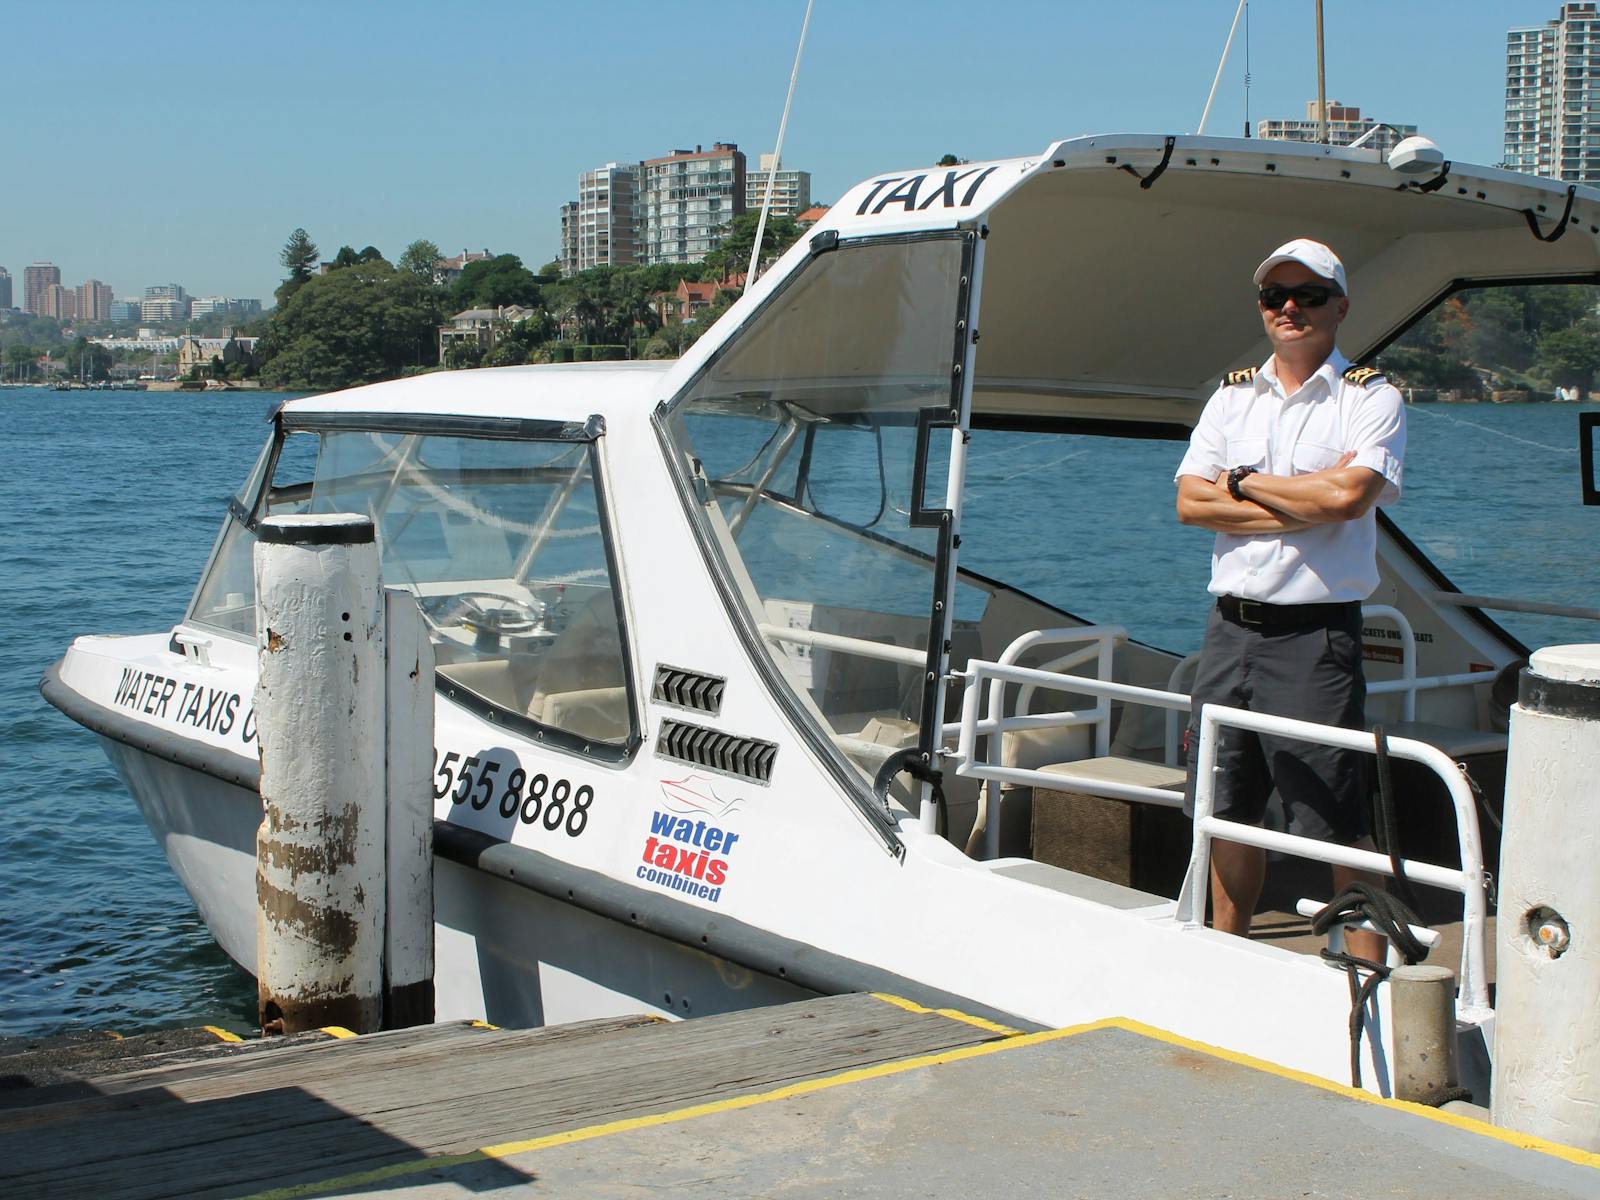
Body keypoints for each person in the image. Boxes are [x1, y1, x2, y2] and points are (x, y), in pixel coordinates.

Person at [1174, 238, 1405, 963]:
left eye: (1307, 295)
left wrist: (1239, 483)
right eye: (1276, 296)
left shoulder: (1372, 398)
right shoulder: (1232, 394)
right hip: (1229, 634)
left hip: (1314, 642)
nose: (1289, 309)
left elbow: (1348, 496)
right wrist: (1298, 502)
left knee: (1335, 815)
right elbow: (1188, 502)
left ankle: (1368, 977)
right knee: (1226, 808)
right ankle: (1226, 958)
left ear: (1339, 305)